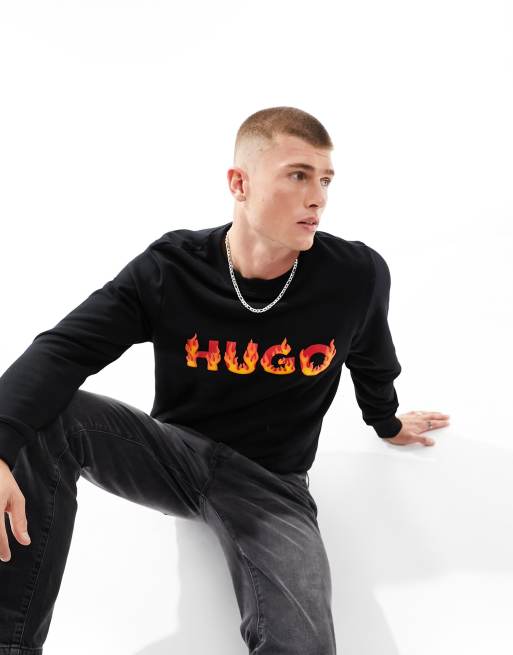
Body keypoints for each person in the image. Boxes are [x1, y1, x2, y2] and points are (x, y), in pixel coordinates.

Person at [0, 106, 450, 654]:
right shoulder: (173, 268)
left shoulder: (354, 275)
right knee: (49, 414)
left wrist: (387, 421)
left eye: (326, 180)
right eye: (298, 175)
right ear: (239, 183)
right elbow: (66, 348)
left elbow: (373, 358)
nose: (318, 198)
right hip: (172, 457)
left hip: (273, 486)